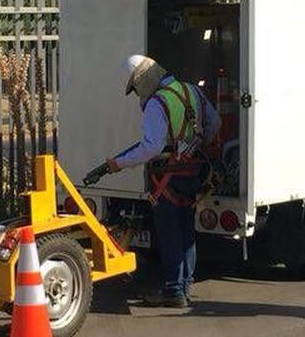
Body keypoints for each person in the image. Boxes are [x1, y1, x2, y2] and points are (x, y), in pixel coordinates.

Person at [86, 55, 220, 309]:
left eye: (136, 88)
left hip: (168, 176)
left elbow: (151, 148)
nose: (138, 94)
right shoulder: (191, 91)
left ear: (143, 80)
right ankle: (185, 286)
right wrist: (194, 145)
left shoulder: (157, 103)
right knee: (186, 229)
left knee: (170, 233)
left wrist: (118, 164)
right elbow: (214, 124)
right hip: (192, 172)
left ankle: (174, 291)